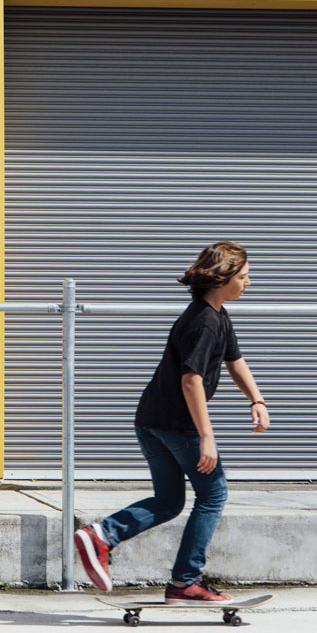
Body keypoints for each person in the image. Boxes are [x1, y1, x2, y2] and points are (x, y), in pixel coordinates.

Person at [74, 241, 270, 604]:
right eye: (243, 277)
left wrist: (256, 399)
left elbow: (235, 361)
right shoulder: (205, 323)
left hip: (150, 421)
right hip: (178, 427)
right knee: (213, 495)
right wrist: (206, 437)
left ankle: (102, 535)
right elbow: (190, 379)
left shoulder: (215, 315)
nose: (248, 283)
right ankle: (186, 582)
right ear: (222, 279)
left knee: (168, 500)